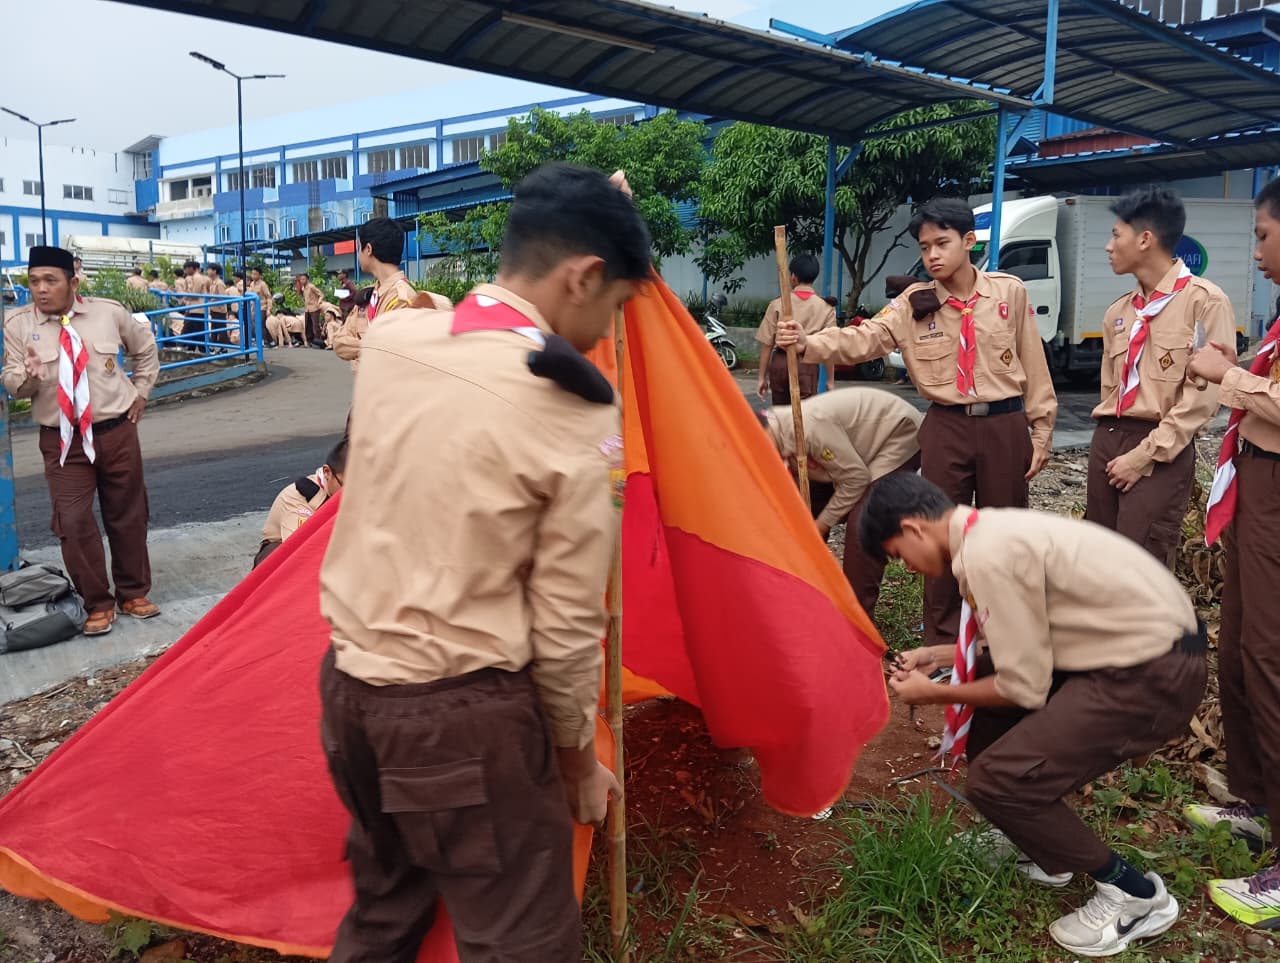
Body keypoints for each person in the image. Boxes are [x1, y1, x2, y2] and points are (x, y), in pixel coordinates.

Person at [317, 163, 647, 962]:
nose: (607, 330)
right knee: (519, 940)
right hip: (462, 720)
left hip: (350, 695)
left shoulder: (396, 337)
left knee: (384, 911)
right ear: (587, 274)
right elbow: (569, 624)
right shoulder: (577, 407)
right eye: (616, 304)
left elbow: (451, 316)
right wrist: (577, 763)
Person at [862, 473, 1204, 958]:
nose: (910, 567)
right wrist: (941, 656)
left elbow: (1023, 686)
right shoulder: (988, 530)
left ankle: (1136, 895)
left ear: (914, 528)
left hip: (1151, 672)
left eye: (899, 555)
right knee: (989, 716)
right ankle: (1047, 852)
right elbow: (1024, 629)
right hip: (1120, 649)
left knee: (997, 781)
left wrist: (934, 695)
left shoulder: (985, 555)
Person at [777, 197, 1057, 650]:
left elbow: (1034, 365)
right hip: (946, 427)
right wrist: (809, 342)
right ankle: (944, 641)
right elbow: (861, 339)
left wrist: (1041, 430)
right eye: (925, 247)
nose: (933, 255)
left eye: (942, 243)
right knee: (942, 532)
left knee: (1004, 533)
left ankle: (1001, 638)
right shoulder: (913, 304)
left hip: (1005, 426)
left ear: (969, 241)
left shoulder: (1009, 293)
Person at [1184, 176, 1280, 926]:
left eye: (1262, 235)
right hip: (1255, 480)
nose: (1257, 251)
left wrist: (1229, 375)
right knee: (1243, 650)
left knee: (1271, 657)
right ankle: (1255, 799)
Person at [1, 246, 161, 636]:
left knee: (128, 513)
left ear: (72, 282)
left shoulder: (109, 313)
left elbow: (145, 350)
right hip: (62, 440)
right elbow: (12, 382)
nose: (40, 289)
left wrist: (141, 393)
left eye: (50, 281)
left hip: (116, 431)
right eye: (33, 281)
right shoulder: (17, 324)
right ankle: (98, 602)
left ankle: (133, 592)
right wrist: (31, 376)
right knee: (72, 521)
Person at [1086, 186, 1234, 567]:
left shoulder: (1204, 302)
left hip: (1159, 448)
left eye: (1116, 235)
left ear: (1145, 239)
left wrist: (1143, 456)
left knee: (1141, 564)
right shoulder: (1119, 311)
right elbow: (1110, 387)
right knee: (1097, 560)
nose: (1108, 246)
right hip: (1108, 438)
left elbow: (1202, 399)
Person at [760, 387, 921, 618]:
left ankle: (857, 619)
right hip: (853, 448)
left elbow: (855, 479)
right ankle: (804, 589)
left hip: (896, 434)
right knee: (806, 509)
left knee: (864, 520)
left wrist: (821, 526)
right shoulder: (775, 430)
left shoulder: (807, 430)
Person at [755, 253, 836, 404]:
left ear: (793, 276)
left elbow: (767, 344)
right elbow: (828, 348)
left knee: (781, 414)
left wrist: (761, 378)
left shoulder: (777, 304)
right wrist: (830, 380)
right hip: (807, 364)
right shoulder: (825, 308)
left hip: (780, 363)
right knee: (805, 415)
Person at [253, 440, 347, 568]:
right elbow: (299, 552)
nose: (351, 495)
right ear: (327, 472)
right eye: (346, 487)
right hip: (281, 555)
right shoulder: (299, 498)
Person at [298, 274, 326, 347]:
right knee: (308, 326)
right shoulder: (303, 288)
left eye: (303, 279)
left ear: (307, 279)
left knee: (315, 326)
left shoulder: (311, 286)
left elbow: (321, 294)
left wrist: (319, 301)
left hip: (314, 308)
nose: (302, 281)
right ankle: (309, 341)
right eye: (301, 279)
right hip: (307, 309)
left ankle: (318, 341)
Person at [206, 263, 230, 344]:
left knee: (221, 329)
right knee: (214, 329)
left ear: (214, 271)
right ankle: (213, 346)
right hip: (214, 309)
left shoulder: (219, 283)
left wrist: (212, 299)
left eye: (209, 269)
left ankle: (224, 348)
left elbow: (222, 297)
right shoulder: (212, 282)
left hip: (220, 310)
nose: (207, 271)